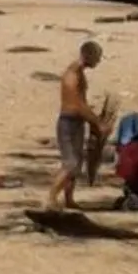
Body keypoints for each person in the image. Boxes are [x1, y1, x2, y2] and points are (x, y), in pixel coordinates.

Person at [47, 40, 107, 210]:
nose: (99, 61)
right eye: (97, 57)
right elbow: (77, 104)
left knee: (77, 163)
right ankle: (51, 198)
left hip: (78, 122)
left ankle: (69, 199)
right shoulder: (72, 74)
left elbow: (82, 103)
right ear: (88, 55)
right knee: (70, 163)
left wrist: (93, 121)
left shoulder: (80, 73)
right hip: (68, 122)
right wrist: (98, 123)